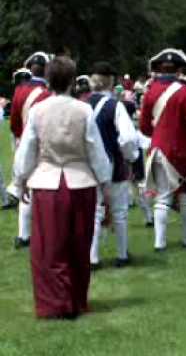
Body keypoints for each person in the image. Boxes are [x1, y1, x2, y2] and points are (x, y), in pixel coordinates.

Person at [13, 56, 111, 319]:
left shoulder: (37, 111)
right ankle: (76, 300)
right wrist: (105, 184)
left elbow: (27, 150)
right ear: (71, 81)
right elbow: (96, 151)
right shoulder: (84, 110)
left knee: (48, 248)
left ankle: (54, 303)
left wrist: (21, 178)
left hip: (47, 182)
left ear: (48, 80)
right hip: (81, 182)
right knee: (79, 245)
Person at [140, 48, 186, 251]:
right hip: (182, 151)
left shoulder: (150, 92)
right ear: (179, 71)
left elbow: (144, 126)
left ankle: (160, 243)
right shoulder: (185, 92)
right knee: (185, 197)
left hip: (158, 149)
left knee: (162, 198)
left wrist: (158, 135)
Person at [88, 62, 139, 269]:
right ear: (111, 82)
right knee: (119, 211)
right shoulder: (115, 106)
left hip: (87, 165)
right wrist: (131, 157)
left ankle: (92, 257)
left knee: (94, 212)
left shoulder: (81, 104)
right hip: (112, 163)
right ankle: (121, 255)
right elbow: (127, 138)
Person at [9, 51, 52, 249]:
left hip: (24, 144)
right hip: (45, 146)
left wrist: (20, 138)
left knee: (24, 187)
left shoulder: (19, 91)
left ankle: (23, 234)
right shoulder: (49, 93)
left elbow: (15, 123)